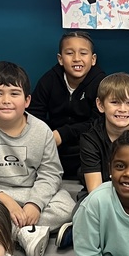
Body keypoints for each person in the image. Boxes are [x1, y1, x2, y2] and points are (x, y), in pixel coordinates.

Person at [0, 60, 75, 256]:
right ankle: (27, 233)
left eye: (14, 94)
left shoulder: (41, 130)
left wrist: (34, 204)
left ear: (27, 100)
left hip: (30, 191)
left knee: (66, 206)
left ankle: (12, 230)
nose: (6, 100)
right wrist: (5, 201)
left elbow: (51, 173)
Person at [28, 30, 106, 179]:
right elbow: (34, 114)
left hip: (87, 149)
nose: (77, 59)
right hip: (52, 146)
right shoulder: (49, 80)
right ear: (60, 59)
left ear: (93, 59)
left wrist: (63, 134)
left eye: (83, 53)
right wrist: (47, 136)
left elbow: (99, 122)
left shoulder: (101, 84)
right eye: (69, 53)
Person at [80, 72, 129, 194]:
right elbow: (95, 192)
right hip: (100, 199)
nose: (122, 109)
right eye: (115, 102)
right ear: (100, 105)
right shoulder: (90, 138)